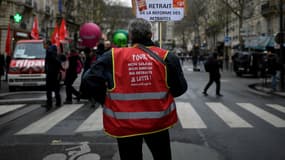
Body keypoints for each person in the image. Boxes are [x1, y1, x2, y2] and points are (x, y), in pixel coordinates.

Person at [82, 18, 187, 160]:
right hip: (158, 123)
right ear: (150, 35)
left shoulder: (112, 56)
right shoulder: (167, 57)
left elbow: (89, 80)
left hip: (125, 124)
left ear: (130, 36)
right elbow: (180, 89)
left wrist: (104, 99)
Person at [42, 40, 63, 111]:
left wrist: (50, 69)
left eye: (44, 44)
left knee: (49, 89)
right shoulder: (53, 50)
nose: (43, 46)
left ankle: (49, 104)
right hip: (54, 72)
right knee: (56, 88)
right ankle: (58, 102)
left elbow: (55, 61)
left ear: (48, 44)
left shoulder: (50, 51)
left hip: (52, 73)